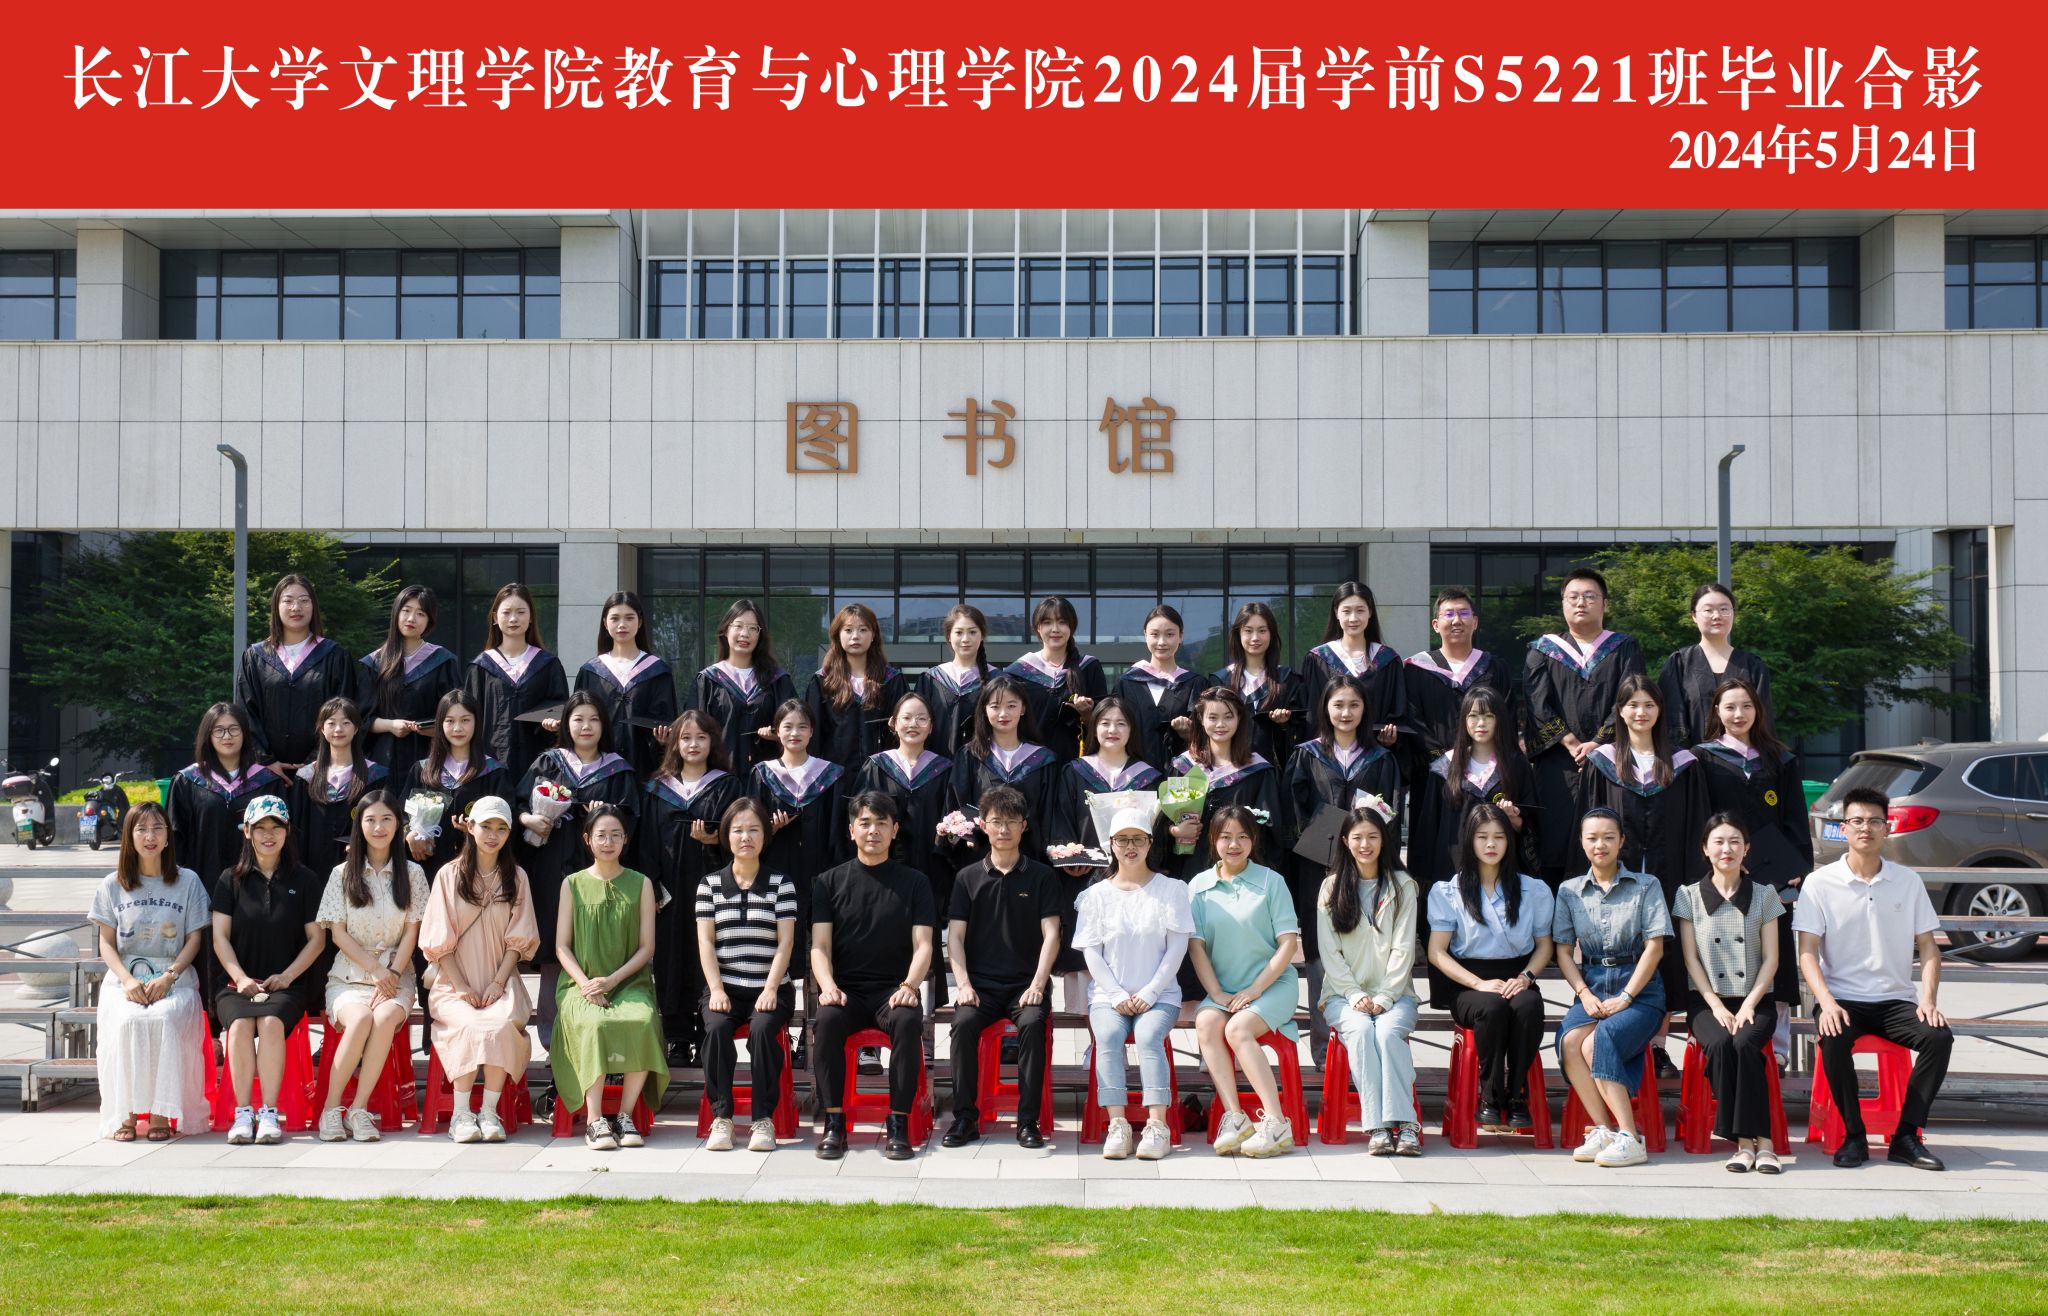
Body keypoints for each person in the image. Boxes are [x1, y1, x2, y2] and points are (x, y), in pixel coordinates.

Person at [1794, 786, 1953, 1172]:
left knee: (1939, 1037)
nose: (1865, 828)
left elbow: (1929, 948)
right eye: (1857, 821)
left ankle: (1906, 1136)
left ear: (1887, 828)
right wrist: (1826, 1002)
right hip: (1842, 999)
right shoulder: (1820, 883)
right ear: (1844, 828)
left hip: (1895, 1000)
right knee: (1833, 1038)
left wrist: (1928, 1001)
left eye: (1874, 821)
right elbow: (1807, 951)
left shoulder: (1907, 881)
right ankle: (1854, 1135)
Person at [811, 793, 937, 1161]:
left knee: (907, 1020)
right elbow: (819, 946)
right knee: (827, 1020)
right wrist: (828, 987)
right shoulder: (828, 882)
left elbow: (924, 945)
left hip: (892, 990)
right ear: (851, 830)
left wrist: (909, 986)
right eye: (865, 823)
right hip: (846, 991)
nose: (873, 831)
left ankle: (898, 1123)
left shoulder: (915, 883)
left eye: (882, 823)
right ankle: (834, 1123)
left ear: (895, 830)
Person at [1581, 674, 1710, 1034]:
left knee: (1665, 953)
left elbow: (1697, 826)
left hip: (1669, 877)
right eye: (1633, 704)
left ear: (1660, 710)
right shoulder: (1602, 762)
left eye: (1649, 705)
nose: (1641, 712)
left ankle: (1658, 1044)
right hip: (1613, 881)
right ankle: (1614, 1034)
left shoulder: (1683, 763)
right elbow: (1587, 824)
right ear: (1620, 711)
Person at [1282, 673, 1402, 1054]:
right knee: (1321, 951)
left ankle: (1370, 1042)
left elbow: (1391, 816)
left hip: (1368, 870)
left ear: (1365, 709)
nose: (1346, 712)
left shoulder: (1381, 758)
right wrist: (1324, 842)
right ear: (1325, 708)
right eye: (1338, 705)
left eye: (1354, 704)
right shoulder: (1306, 755)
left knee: (1369, 946)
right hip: (1318, 869)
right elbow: (1292, 813)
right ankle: (1325, 1050)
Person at [517, 690, 642, 1049]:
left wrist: (607, 813)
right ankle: (553, 1042)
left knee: (600, 947)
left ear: (604, 725)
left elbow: (631, 821)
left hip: (599, 872)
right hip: (553, 868)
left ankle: (601, 1038)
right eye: (578, 719)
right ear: (566, 724)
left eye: (594, 719)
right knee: (556, 954)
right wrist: (529, 819)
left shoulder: (618, 770)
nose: (586, 726)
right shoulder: (548, 762)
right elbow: (518, 802)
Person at [942, 786, 1063, 1150]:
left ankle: (1028, 1121)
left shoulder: (1042, 876)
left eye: (1012, 821)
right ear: (983, 825)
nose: (1004, 829)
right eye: (996, 821)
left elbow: (1052, 934)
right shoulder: (967, 878)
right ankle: (965, 1118)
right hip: (980, 987)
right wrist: (963, 984)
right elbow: (955, 937)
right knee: (962, 1025)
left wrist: (1038, 985)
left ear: (1024, 826)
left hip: (1026, 985)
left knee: (1032, 1024)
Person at [1425, 803, 1556, 1134]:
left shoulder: (1533, 890)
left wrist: (1526, 977)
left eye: (1499, 836)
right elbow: (1437, 952)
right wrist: (1478, 984)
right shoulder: (1448, 891)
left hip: (1518, 976)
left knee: (1528, 1006)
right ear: (1470, 840)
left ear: (1509, 841)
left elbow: (1544, 946)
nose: (1491, 844)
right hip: (1468, 984)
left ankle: (1517, 1094)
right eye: (1482, 837)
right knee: (1492, 1007)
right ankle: (1490, 1095)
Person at [1551, 808, 1672, 1168]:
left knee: (1597, 1041)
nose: (1599, 845)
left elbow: (1655, 948)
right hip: (1592, 986)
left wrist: (1626, 997)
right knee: (1569, 1041)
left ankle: (1630, 1137)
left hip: (1641, 992)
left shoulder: (1646, 885)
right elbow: (1563, 951)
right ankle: (1603, 1130)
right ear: (1582, 842)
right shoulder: (1569, 891)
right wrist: (1584, 994)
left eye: (1608, 837)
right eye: (1592, 838)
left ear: (1622, 841)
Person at [1074, 804, 1192, 1162]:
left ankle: (1157, 1126)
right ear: (1111, 844)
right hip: (1108, 997)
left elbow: (1177, 948)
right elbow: (1092, 952)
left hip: (1161, 995)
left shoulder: (1171, 890)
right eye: (1122, 840)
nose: (1130, 847)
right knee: (1108, 1037)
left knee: (1148, 1036)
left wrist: (1151, 992)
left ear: (1150, 843)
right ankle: (1118, 1124)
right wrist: (1115, 994)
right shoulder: (1096, 895)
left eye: (1138, 840)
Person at [419, 796, 541, 1144]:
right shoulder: (448, 875)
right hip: (453, 982)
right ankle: (461, 1114)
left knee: (499, 1025)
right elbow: (438, 939)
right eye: (486, 826)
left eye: (501, 828)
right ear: (470, 827)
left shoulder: (516, 877)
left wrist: (498, 983)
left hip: (501, 980)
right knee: (470, 1025)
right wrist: (461, 986)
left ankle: (489, 1111)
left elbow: (520, 938)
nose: (493, 835)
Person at [210, 796, 325, 1146]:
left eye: (276, 827)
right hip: (236, 984)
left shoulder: (304, 880)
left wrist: (288, 976)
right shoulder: (230, 879)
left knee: (272, 1022)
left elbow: (317, 940)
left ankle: (270, 1112)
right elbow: (219, 938)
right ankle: (244, 1113)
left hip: (287, 984)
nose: (269, 835)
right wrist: (241, 978)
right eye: (260, 828)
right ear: (247, 831)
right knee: (241, 1025)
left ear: (287, 831)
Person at [1673, 814, 1786, 1173]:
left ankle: (1761, 1144)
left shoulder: (1765, 895)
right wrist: (1716, 1005)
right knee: (1722, 1044)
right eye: (1719, 842)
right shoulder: (1688, 896)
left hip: (1756, 998)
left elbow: (1772, 959)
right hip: (1707, 999)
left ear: (1746, 848)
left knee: (1744, 1045)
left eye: (1735, 841)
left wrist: (1750, 1003)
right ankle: (1747, 1143)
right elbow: (1690, 958)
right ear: (1705, 849)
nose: (1727, 849)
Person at [90, 803, 209, 1142]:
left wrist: (170, 976)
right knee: (126, 1021)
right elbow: (106, 943)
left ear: (169, 836)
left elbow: (194, 939)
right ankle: (125, 1114)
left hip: (175, 978)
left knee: (164, 1019)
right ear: (129, 837)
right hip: (123, 980)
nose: (150, 836)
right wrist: (127, 980)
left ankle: (161, 1113)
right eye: (141, 829)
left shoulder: (188, 882)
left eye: (158, 828)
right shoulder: (112, 885)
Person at [314, 788, 427, 1143]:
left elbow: (412, 932)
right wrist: (376, 972)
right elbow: (338, 934)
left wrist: (390, 974)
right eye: (371, 820)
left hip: (397, 976)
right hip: (349, 977)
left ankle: (359, 1109)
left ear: (399, 825)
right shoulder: (341, 874)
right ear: (359, 826)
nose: (379, 828)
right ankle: (331, 1110)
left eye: (387, 819)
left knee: (383, 1017)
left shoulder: (413, 873)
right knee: (361, 1017)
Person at [1187, 806, 1301, 1158]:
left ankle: (1277, 1124)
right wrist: (1216, 993)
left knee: (1237, 1029)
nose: (1233, 844)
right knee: (1206, 1022)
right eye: (1225, 837)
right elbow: (1196, 947)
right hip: (1225, 990)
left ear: (1253, 840)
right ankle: (1235, 1117)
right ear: (1212, 840)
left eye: (1242, 837)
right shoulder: (1199, 886)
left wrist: (1255, 990)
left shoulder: (1271, 882)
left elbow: (1288, 944)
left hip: (1272, 986)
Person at [552, 805, 667, 1151]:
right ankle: (594, 1119)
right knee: (594, 1024)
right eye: (601, 835)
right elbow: (561, 946)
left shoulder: (641, 884)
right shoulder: (572, 884)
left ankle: (625, 1115)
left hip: (629, 983)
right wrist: (587, 984)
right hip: (579, 984)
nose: (608, 842)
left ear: (625, 840)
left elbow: (647, 948)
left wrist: (612, 981)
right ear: (587, 839)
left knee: (642, 1020)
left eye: (616, 835)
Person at [1693, 677, 1811, 1013]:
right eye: (1730, 707)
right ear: (1717, 711)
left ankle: (1776, 1037)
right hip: (1723, 874)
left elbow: (1794, 819)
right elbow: (1699, 818)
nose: (1738, 714)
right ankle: (1717, 1025)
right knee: (1721, 952)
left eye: (1746, 706)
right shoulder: (1702, 759)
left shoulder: (1779, 760)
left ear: (1758, 711)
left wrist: (1794, 870)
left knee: (1775, 956)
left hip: (1772, 878)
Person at [1524, 568, 1646, 882]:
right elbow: (1537, 703)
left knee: (1609, 839)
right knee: (1554, 843)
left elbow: (1630, 699)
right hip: (1558, 766)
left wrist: (1599, 743)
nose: (1581, 603)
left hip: (1611, 762)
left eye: (1590, 596)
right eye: (1574, 597)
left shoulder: (1624, 648)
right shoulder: (1543, 650)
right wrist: (1570, 742)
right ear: (1563, 604)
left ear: (1605, 604)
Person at [638, 709, 745, 1064]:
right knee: (671, 959)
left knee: (712, 955)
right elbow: (647, 842)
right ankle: (678, 1038)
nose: (693, 744)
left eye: (701, 737)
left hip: (713, 884)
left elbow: (740, 835)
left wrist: (716, 840)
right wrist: (653, 886)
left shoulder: (727, 785)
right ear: (674, 743)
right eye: (685, 738)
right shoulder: (657, 788)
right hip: (670, 889)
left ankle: (709, 1034)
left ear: (712, 742)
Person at [1318, 805, 1422, 1156]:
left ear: (1384, 840)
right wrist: (1352, 994)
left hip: (1396, 994)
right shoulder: (1331, 888)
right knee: (1362, 1031)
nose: (1365, 844)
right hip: (1342, 997)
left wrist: (1386, 996)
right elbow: (1329, 952)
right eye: (1358, 837)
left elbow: (1404, 948)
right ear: (1345, 841)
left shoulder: (1402, 886)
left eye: (1373, 837)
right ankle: (1378, 1127)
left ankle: (1405, 1125)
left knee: (1388, 1032)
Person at [696, 798, 798, 1153]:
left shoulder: (781, 884)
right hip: (724, 986)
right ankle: (722, 1118)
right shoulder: (709, 885)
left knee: (762, 1030)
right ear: (726, 836)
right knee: (716, 1029)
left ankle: (763, 1119)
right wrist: (716, 989)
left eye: (754, 829)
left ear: (765, 836)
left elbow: (786, 942)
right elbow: (706, 942)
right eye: (738, 830)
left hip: (771, 988)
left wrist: (770, 988)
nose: (745, 837)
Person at [165, 704, 287, 936]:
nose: (227, 736)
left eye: (234, 729)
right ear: (208, 735)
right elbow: (175, 838)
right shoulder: (187, 781)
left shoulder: (267, 781)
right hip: (203, 883)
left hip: (256, 885)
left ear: (245, 733)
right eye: (219, 730)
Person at [1403, 587, 1518, 827]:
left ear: (1475, 622)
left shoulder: (1494, 668)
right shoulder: (1416, 670)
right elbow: (1412, 720)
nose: (1457, 620)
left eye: (1464, 613)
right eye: (1449, 614)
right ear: (1436, 625)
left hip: (1487, 773)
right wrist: (1444, 760)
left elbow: (1507, 717)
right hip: (1433, 774)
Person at [1408, 686, 1539, 890]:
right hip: (1452, 871)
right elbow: (1429, 828)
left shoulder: (1516, 765)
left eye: (1489, 716)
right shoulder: (1444, 768)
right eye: (1473, 716)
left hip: (1502, 872)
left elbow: (1532, 824)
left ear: (1499, 720)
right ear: (1464, 720)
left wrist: (1514, 819)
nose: (1481, 723)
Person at [236, 573, 357, 774]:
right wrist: (265, 760)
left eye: (303, 600)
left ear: (313, 606)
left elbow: (346, 711)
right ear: (276, 606)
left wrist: (316, 760)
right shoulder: (255, 657)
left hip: (321, 770)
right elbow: (245, 712)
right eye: (288, 601)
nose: (296, 607)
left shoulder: (335, 656)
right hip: (265, 772)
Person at [848, 692, 957, 914]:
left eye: (921, 718)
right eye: (906, 718)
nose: (913, 724)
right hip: (883, 868)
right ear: (893, 723)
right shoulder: (876, 766)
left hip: (932, 869)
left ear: (931, 727)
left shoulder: (944, 769)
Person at [1166, 686, 1284, 879]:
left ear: (1239, 719)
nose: (1220, 724)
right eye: (1212, 717)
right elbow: (1163, 821)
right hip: (1190, 869)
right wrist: (1174, 830)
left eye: (1228, 717)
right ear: (1201, 719)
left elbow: (1270, 831)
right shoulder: (1184, 767)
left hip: (1240, 871)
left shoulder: (1258, 771)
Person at [750, 698, 846, 931]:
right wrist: (770, 828)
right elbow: (749, 825)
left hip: (819, 870)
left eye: (802, 727)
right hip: (774, 867)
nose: (795, 733)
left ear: (812, 731)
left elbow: (837, 829)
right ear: (777, 731)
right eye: (788, 726)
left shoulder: (830, 775)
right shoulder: (762, 774)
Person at [402, 689, 512, 881]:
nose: (458, 728)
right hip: (427, 870)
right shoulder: (422, 770)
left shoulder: (494, 773)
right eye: (450, 721)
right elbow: (402, 811)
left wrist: (476, 831)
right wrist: (409, 833)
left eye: (465, 720)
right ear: (440, 724)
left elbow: (507, 822)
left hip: (476, 870)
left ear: (477, 722)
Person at [949, 674, 1058, 865]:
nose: (1003, 714)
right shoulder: (970, 755)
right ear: (984, 710)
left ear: (1023, 708)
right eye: (995, 706)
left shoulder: (1042, 759)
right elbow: (957, 803)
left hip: (1030, 858)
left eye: (1011, 706)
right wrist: (966, 835)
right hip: (980, 857)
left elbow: (1049, 813)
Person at [464, 582, 570, 779]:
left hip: (538, 764)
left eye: (521, 612)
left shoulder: (548, 664)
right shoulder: (480, 667)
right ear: (495, 618)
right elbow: (469, 717)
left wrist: (554, 725)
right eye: (506, 612)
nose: (513, 619)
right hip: (489, 763)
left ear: (531, 617)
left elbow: (560, 709)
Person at [357, 584, 458, 787]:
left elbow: (455, 713)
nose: (412, 618)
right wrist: (390, 725)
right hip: (383, 760)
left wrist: (431, 728)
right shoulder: (375, 663)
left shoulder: (442, 661)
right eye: (406, 611)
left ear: (429, 620)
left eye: (420, 613)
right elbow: (361, 719)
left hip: (429, 757)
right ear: (396, 613)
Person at [573, 590, 678, 778]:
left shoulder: (657, 671)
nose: (622, 624)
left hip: (644, 769)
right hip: (598, 770)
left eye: (629, 618)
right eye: (615, 618)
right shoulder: (591, 671)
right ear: (605, 623)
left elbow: (667, 720)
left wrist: (663, 739)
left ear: (640, 621)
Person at [1658, 581, 1774, 750]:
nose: (1717, 615)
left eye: (1724, 609)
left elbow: (1764, 722)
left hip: (1745, 761)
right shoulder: (1678, 663)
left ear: (1733, 614)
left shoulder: (1753, 666)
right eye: (1708, 610)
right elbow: (1671, 722)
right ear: (1694, 616)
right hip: (1690, 760)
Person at [691, 598, 799, 775]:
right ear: (726, 630)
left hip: (768, 777)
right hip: (719, 776)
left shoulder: (777, 680)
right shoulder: (708, 680)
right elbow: (694, 731)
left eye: (753, 628)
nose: (745, 634)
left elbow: (796, 726)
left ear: (760, 635)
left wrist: (778, 735)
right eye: (738, 626)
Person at [289, 697, 388, 882]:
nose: (338, 729)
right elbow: (297, 829)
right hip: (313, 869)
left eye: (346, 723)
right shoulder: (306, 777)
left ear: (356, 728)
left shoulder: (375, 776)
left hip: (360, 867)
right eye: (331, 723)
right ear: (322, 728)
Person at [1299, 581, 1407, 749]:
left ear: (1370, 612)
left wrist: (1391, 738)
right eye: (1346, 611)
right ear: (1336, 612)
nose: (1353, 618)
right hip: (1330, 753)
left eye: (1360, 610)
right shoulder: (1318, 659)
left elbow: (1398, 712)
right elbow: (1311, 713)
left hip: (1375, 753)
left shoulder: (1388, 660)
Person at [1008, 594, 1108, 764]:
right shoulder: (1019, 673)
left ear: (1071, 627)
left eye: (1062, 622)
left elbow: (1105, 721)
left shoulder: (1088, 667)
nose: (1055, 629)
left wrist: (1087, 714)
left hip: (1077, 763)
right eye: (1047, 622)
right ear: (1038, 628)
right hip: (1030, 764)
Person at [804, 603, 906, 768]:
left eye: (863, 630)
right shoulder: (823, 681)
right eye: (848, 630)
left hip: (882, 771)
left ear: (873, 635)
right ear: (838, 635)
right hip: (834, 773)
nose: (855, 636)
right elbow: (813, 735)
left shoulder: (891, 680)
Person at [1115, 605, 1209, 771]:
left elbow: (1207, 735)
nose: (1162, 642)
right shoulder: (1127, 683)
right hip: (1133, 773)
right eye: (1155, 634)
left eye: (1170, 634)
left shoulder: (1194, 683)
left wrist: (1188, 733)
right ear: (1145, 635)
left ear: (1181, 636)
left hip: (1181, 774)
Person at [1213, 601, 1306, 768]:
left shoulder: (1288, 681)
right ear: (1238, 634)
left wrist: (1284, 724)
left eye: (1262, 631)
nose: (1255, 638)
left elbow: (1301, 732)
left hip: (1273, 773)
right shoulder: (1221, 681)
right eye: (1248, 631)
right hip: (1229, 771)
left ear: (1271, 634)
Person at [917, 603, 994, 758]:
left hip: (982, 766)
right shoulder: (931, 679)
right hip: (936, 765)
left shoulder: (997, 679)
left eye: (972, 632)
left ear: (982, 636)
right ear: (949, 637)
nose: (965, 639)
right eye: (959, 632)